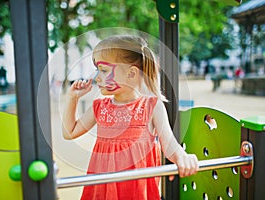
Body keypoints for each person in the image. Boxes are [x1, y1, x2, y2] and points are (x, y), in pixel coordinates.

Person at [62, 35, 198, 200]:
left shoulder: (151, 106)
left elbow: (169, 145)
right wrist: (72, 98)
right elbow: (70, 132)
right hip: (103, 190)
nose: (97, 77)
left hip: (136, 191)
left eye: (103, 70)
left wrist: (183, 157)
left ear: (131, 73)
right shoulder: (100, 107)